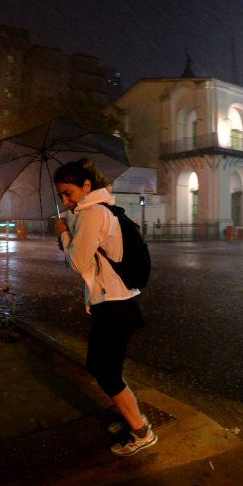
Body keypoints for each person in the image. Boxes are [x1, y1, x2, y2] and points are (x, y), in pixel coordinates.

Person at [53, 158, 157, 456]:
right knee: (101, 368)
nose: (65, 199)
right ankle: (127, 415)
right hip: (113, 303)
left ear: (87, 186)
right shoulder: (94, 210)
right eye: (61, 194)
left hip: (116, 305)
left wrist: (62, 233)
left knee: (105, 372)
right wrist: (67, 229)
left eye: (69, 193)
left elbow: (77, 262)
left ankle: (141, 431)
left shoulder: (94, 214)